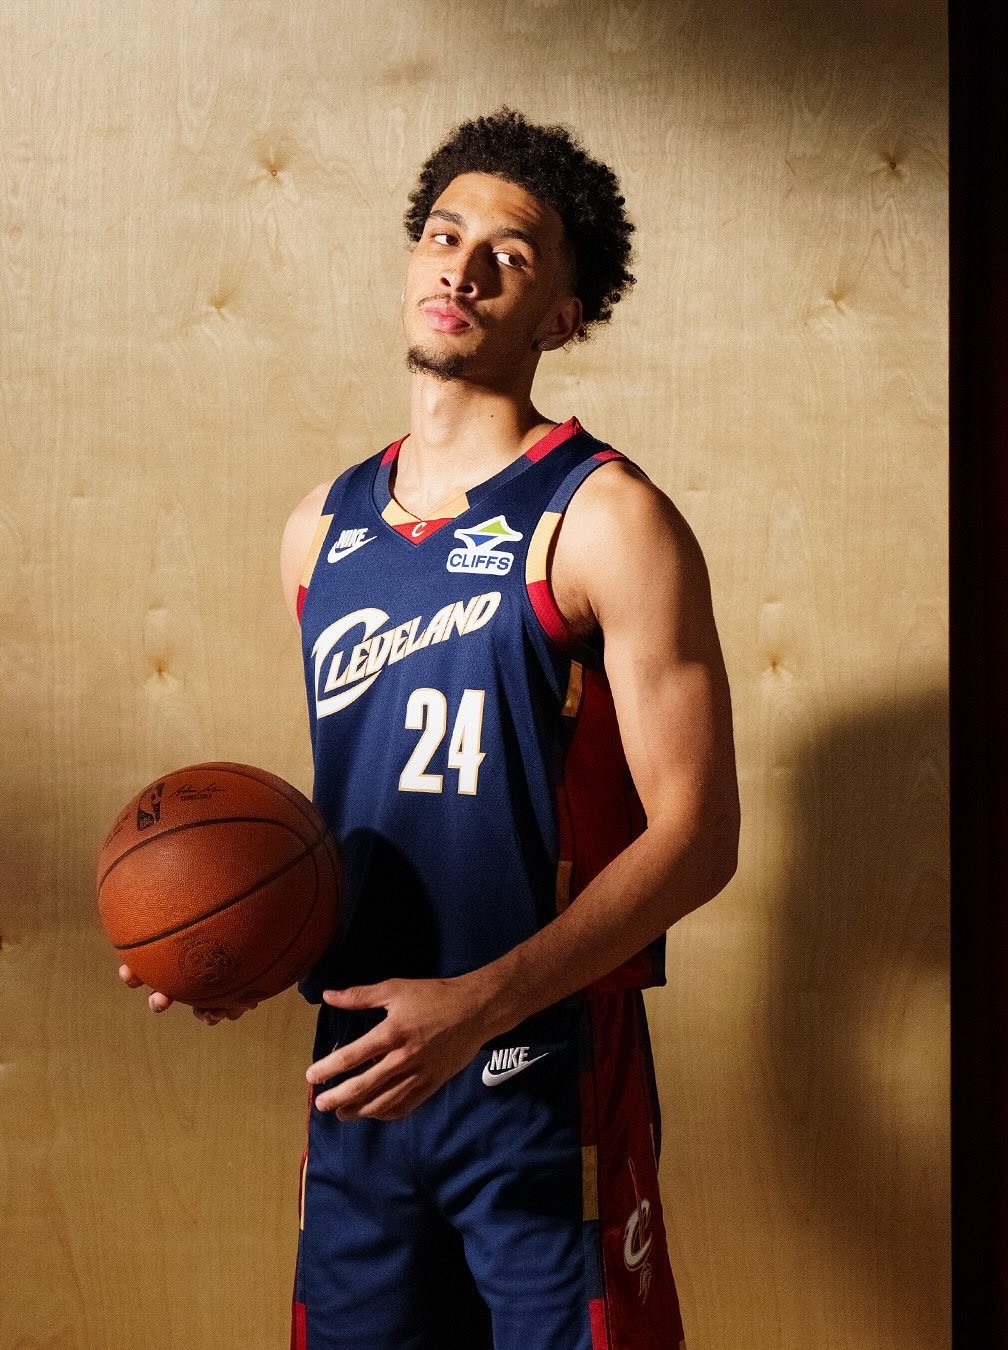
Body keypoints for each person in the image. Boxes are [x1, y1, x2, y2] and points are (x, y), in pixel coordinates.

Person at [122, 107, 739, 1350]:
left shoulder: (604, 518)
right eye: (444, 236)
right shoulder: (321, 529)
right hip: (365, 1074)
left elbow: (700, 837)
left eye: (510, 254)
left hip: (542, 1070)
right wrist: (236, 940)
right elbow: (368, 813)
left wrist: (483, 1003)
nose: (462, 269)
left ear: (562, 315)